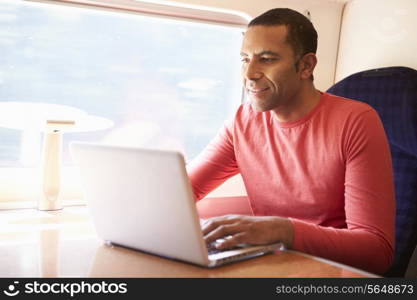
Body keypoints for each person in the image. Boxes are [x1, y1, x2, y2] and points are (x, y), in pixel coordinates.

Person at [187, 8, 395, 275]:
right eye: (245, 59)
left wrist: (283, 230)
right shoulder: (243, 122)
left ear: (306, 66)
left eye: (267, 59)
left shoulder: (356, 121)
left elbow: (377, 252)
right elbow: (182, 191)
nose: (249, 73)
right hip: (273, 266)